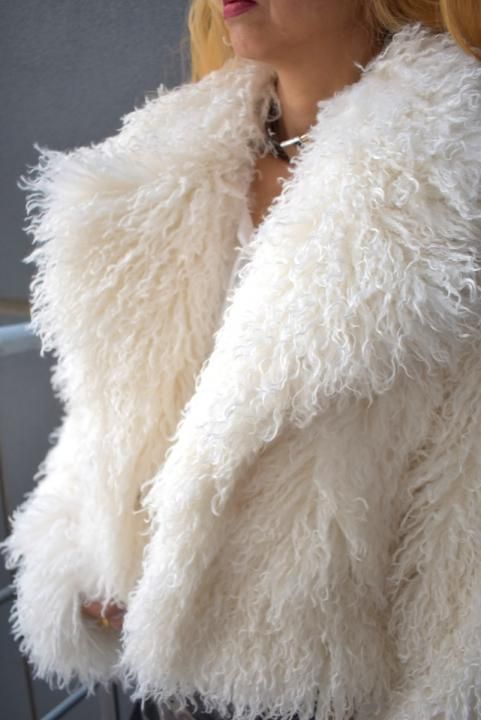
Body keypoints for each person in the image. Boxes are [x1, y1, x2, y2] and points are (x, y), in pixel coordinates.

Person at [2, 1, 481, 719]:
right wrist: (84, 561)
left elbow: (464, 527)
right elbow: (106, 416)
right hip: (161, 679)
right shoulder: (158, 167)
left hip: (336, 697)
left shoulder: (454, 177)